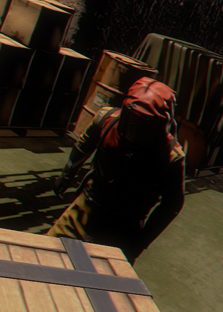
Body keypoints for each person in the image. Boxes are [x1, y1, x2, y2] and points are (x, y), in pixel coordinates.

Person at [47, 77, 187, 262]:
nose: (134, 133)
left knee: (103, 276)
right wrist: (66, 175)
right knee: (46, 254)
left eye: (143, 126)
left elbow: (171, 205)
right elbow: (84, 145)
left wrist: (140, 241)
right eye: (131, 122)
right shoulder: (106, 119)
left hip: (123, 229)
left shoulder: (171, 157)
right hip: (84, 210)